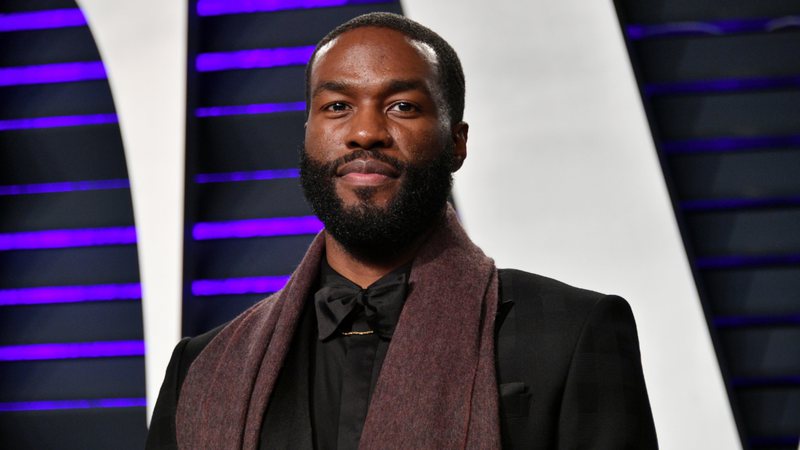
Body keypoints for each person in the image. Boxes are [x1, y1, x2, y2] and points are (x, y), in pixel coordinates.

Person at [146, 12, 658, 450]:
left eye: (402, 107)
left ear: (457, 143)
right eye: (337, 106)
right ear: (307, 135)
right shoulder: (202, 367)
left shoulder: (573, 330)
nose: (365, 132)